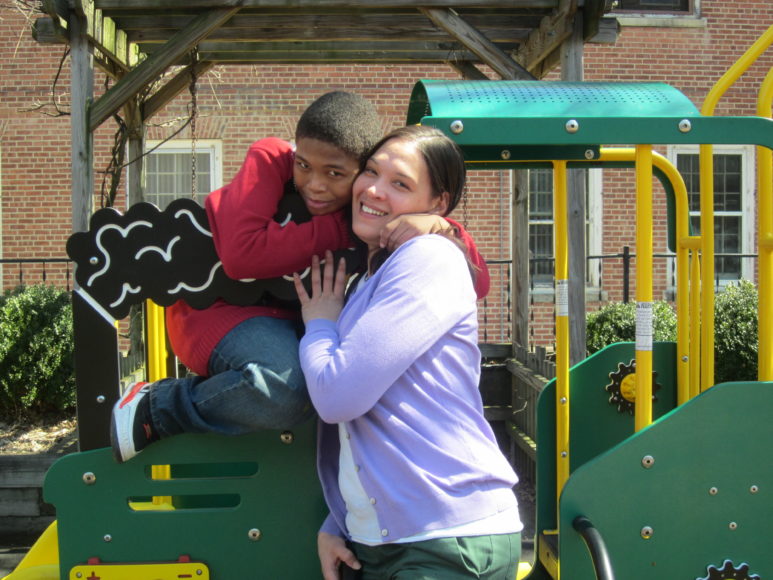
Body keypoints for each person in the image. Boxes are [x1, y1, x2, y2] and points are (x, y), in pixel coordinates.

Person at [110, 92, 490, 463]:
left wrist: (441, 228)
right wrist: (344, 229)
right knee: (291, 386)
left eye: (336, 173)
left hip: (294, 323)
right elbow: (241, 255)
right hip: (214, 314)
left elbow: (478, 283)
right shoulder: (275, 160)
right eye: (304, 165)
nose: (315, 184)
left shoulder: (375, 209)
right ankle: (158, 406)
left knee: (329, 381)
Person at [294, 125, 522, 580]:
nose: (373, 190)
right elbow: (372, 431)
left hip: (446, 537)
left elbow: (339, 396)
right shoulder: (369, 280)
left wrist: (319, 322)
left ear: (438, 202)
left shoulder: (429, 259)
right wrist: (339, 521)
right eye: (372, 172)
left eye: (400, 184)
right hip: (388, 541)